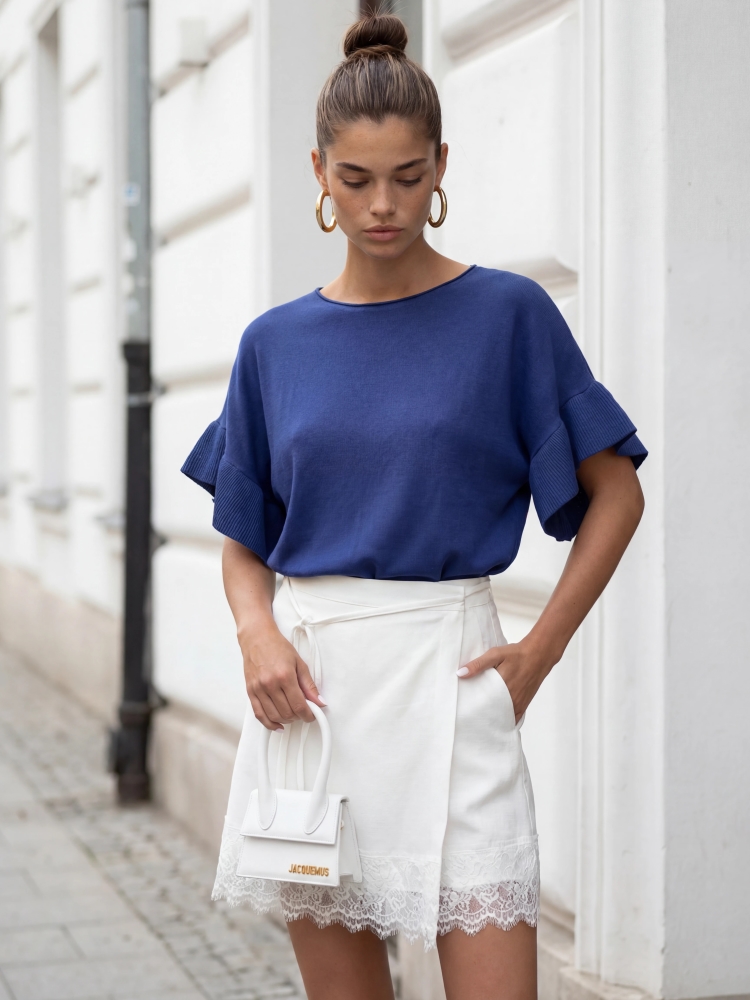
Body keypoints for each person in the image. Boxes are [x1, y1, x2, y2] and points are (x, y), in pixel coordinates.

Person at [181, 12, 646, 1000]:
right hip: (313, 705)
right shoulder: (274, 344)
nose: (384, 204)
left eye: (407, 175)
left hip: (455, 683)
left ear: (442, 167)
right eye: (356, 179)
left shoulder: (508, 316)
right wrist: (257, 633)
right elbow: (242, 537)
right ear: (318, 171)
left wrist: (539, 651)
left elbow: (617, 492)